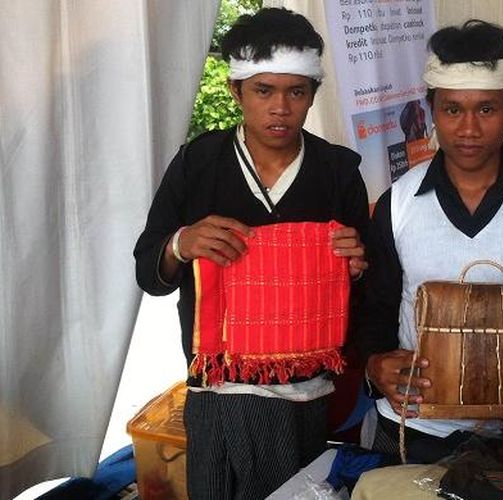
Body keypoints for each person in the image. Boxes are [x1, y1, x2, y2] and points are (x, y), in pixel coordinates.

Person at [133, 8, 370, 499]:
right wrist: (181, 242)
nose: (280, 108)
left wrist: (358, 263)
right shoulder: (198, 164)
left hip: (305, 387)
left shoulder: (336, 171)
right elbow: (147, 268)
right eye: (264, 91)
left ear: (312, 95)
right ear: (236, 91)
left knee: (293, 489)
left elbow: (367, 280)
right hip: (218, 385)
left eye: (296, 92)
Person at [358, 20, 503, 459]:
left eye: (486, 109)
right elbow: (375, 308)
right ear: (431, 109)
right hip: (412, 424)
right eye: (452, 109)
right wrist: (375, 364)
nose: (468, 128)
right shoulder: (399, 203)